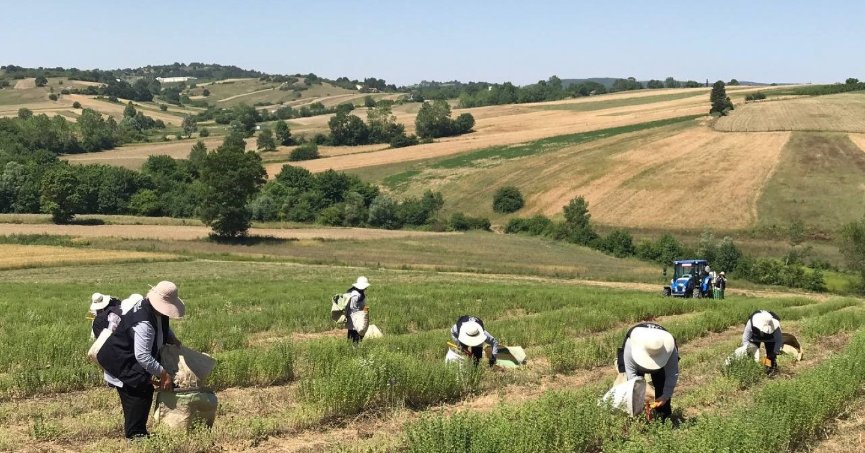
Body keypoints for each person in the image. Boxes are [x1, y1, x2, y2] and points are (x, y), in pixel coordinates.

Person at [96, 281, 185, 440]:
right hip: (122, 362)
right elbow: (143, 356)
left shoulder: (155, 310)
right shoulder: (144, 322)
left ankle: (139, 432)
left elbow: (162, 327)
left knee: (144, 390)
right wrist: (163, 374)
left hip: (132, 358)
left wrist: (173, 339)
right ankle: (136, 436)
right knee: (138, 394)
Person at [617, 323, 679, 421]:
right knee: (632, 391)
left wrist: (665, 396)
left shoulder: (670, 349)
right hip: (636, 363)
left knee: (661, 383)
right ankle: (636, 417)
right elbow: (632, 376)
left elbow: (672, 374)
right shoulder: (631, 346)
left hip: (662, 365)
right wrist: (641, 399)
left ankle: (664, 418)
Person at [345, 276, 370, 343]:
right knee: (356, 337)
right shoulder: (356, 295)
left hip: (353, 318)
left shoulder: (356, 293)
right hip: (355, 318)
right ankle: (354, 348)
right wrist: (363, 310)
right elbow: (352, 307)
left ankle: (350, 347)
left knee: (352, 335)